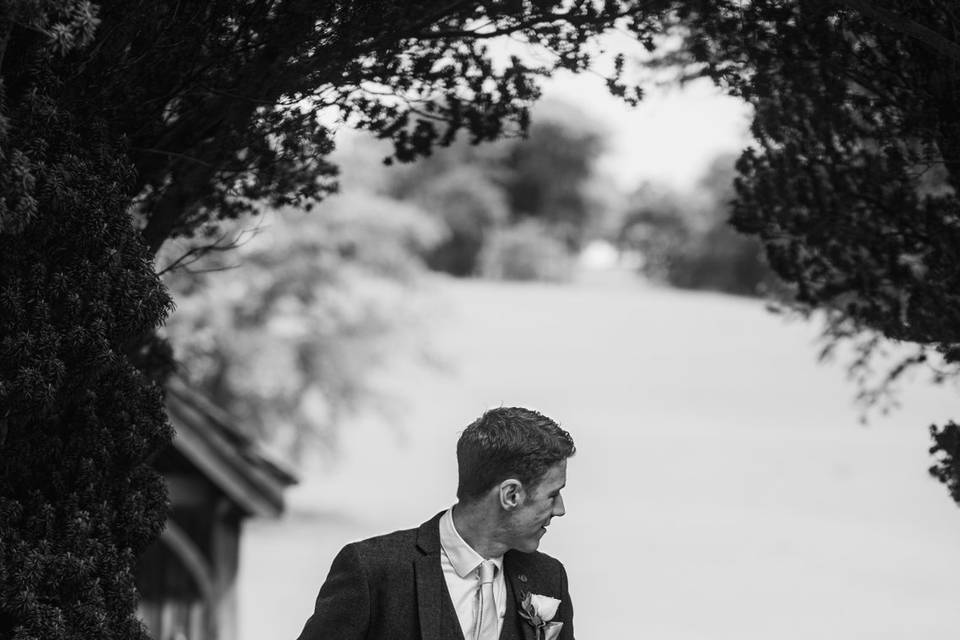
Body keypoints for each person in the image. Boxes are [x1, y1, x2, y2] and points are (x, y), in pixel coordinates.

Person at [295, 406, 576, 640]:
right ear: (510, 494)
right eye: (552, 495)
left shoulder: (549, 577)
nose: (560, 510)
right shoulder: (372, 570)